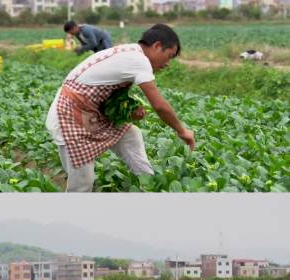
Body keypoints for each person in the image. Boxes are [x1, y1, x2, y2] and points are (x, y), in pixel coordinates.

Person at [46, 23, 195, 192]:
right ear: (157, 46)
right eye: (169, 56)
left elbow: (107, 94)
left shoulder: (131, 51)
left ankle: (150, 184)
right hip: (69, 117)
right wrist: (182, 131)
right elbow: (160, 106)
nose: (168, 63)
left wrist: (129, 111)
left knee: (131, 134)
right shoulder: (138, 60)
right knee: (82, 184)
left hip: (87, 113)